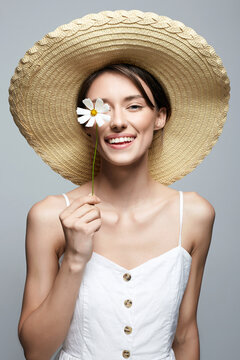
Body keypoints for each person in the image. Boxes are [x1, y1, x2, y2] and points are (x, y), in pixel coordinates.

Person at [9, 10, 230, 360]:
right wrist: (76, 260)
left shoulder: (196, 215)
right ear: (87, 123)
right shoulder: (49, 216)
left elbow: (185, 335)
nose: (117, 122)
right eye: (100, 109)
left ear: (160, 117)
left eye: (134, 106)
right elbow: (36, 351)